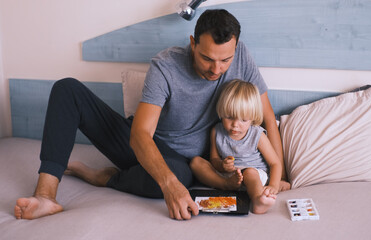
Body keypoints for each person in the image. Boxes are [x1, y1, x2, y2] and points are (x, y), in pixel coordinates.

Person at [14, 9, 287, 221]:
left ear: (235, 49)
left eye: (225, 60)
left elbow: (267, 116)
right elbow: (140, 134)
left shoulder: (242, 57)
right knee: (67, 89)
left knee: (182, 173)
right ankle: (46, 196)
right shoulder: (165, 65)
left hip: (192, 164)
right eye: (207, 58)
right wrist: (169, 185)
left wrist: (281, 177)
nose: (216, 69)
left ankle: (106, 177)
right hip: (146, 147)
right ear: (193, 43)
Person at [191, 79, 285, 214]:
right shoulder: (216, 131)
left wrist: (274, 185)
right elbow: (214, 160)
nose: (235, 124)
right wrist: (222, 165)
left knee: (249, 173)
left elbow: (275, 163)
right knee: (196, 162)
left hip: (254, 176)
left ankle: (258, 200)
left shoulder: (257, 135)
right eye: (229, 117)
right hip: (228, 176)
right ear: (222, 112)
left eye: (243, 120)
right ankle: (226, 185)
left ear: (252, 118)